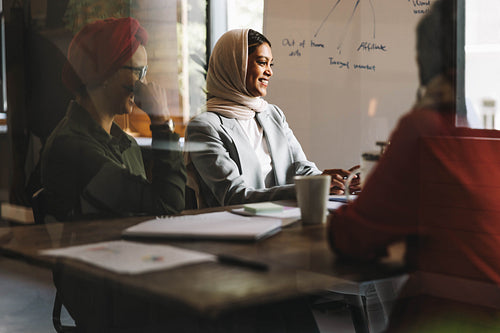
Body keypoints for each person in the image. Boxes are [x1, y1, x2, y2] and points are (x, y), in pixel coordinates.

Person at [327, 0, 500, 331]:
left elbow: (353, 237)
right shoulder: (487, 136)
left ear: (424, 63)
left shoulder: (425, 130)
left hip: (460, 317)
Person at [185, 29, 358, 208]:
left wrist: (332, 181)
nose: (269, 72)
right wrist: (310, 188)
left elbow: (299, 167)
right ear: (235, 65)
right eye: (262, 63)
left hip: (284, 219)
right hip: (238, 227)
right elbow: (233, 196)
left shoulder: (272, 114)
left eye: (271, 64)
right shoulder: (205, 127)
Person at [40, 17, 186, 221]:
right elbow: (168, 204)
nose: (144, 84)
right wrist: (160, 122)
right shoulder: (72, 148)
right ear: (105, 73)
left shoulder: (127, 144)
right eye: (139, 72)